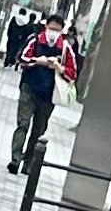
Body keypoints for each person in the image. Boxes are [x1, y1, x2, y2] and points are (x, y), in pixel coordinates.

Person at [9, 13, 73, 174]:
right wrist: (37, 61)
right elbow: (22, 58)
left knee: (38, 131)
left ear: (62, 31)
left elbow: (72, 73)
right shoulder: (35, 40)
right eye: (51, 28)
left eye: (57, 30)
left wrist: (59, 68)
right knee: (23, 124)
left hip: (48, 95)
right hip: (29, 88)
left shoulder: (65, 49)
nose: (53, 33)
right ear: (46, 27)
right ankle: (15, 159)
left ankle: (28, 163)